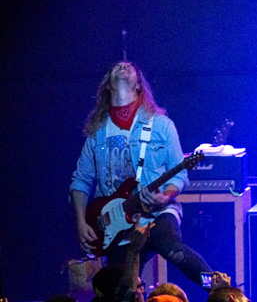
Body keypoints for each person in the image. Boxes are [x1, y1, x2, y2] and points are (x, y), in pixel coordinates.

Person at [70, 61, 211, 285]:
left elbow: (179, 174)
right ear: (108, 85)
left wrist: (165, 196)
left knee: (173, 248)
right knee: (120, 285)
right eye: (117, 67)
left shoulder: (162, 125)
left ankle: (217, 289)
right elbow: (81, 180)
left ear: (138, 85)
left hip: (158, 212)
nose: (123, 67)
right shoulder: (98, 132)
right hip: (116, 220)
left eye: (129, 67)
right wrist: (81, 222)